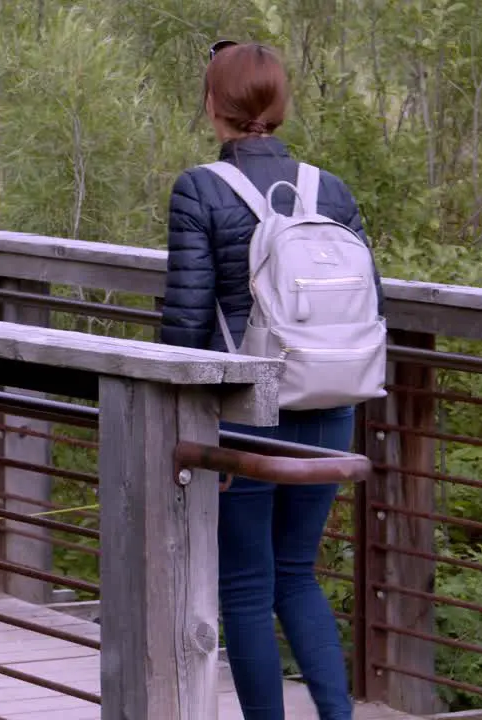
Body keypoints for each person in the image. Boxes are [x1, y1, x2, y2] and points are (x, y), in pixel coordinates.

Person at [160, 40, 384, 720]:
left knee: (248, 587)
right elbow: (372, 300)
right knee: (297, 576)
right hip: (331, 399)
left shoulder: (200, 189)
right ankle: (337, 716)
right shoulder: (331, 189)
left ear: (212, 106)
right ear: (279, 107)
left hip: (244, 410)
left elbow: (188, 322)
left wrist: (175, 413)